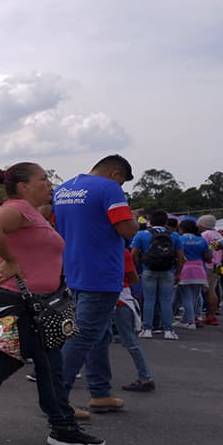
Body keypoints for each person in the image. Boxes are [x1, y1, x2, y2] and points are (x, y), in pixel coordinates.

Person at [0, 163, 104, 445]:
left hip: (32, 303)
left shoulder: (31, 213)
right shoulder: (18, 209)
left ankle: (61, 425)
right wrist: (11, 261)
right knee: (13, 361)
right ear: (23, 186)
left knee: (41, 363)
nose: (49, 183)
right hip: (16, 301)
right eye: (43, 178)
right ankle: (59, 425)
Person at [53, 154, 139, 415]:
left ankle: (100, 392)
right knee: (83, 336)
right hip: (102, 273)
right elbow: (127, 230)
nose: (121, 187)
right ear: (115, 174)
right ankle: (57, 399)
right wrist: (134, 219)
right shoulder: (109, 188)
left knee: (99, 335)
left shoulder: (62, 190)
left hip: (75, 270)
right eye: (122, 182)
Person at [130, 210, 185, 339]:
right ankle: (168, 330)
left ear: (150, 221)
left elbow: (133, 254)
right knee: (166, 300)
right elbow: (181, 258)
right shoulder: (174, 235)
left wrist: (139, 267)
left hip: (148, 270)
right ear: (166, 221)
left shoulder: (142, 234)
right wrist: (178, 273)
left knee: (149, 300)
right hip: (168, 271)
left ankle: (147, 329)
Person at [116, 247, 155, 392]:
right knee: (129, 340)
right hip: (122, 296)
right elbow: (133, 278)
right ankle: (145, 376)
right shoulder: (122, 251)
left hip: (107, 297)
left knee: (93, 339)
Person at [175, 218, 210, 330]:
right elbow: (208, 258)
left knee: (186, 297)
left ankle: (190, 322)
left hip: (184, 269)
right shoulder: (201, 240)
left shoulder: (179, 239)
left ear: (182, 228)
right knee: (194, 297)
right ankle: (186, 319)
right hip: (199, 270)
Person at [198, 215, 223, 326]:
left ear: (203, 224)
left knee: (199, 291)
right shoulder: (218, 235)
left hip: (207, 265)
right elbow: (219, 250)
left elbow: (204, 250)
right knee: (212, 290)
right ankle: (211, 316)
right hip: (217, 265)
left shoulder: (205, 235)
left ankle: (197, 315)